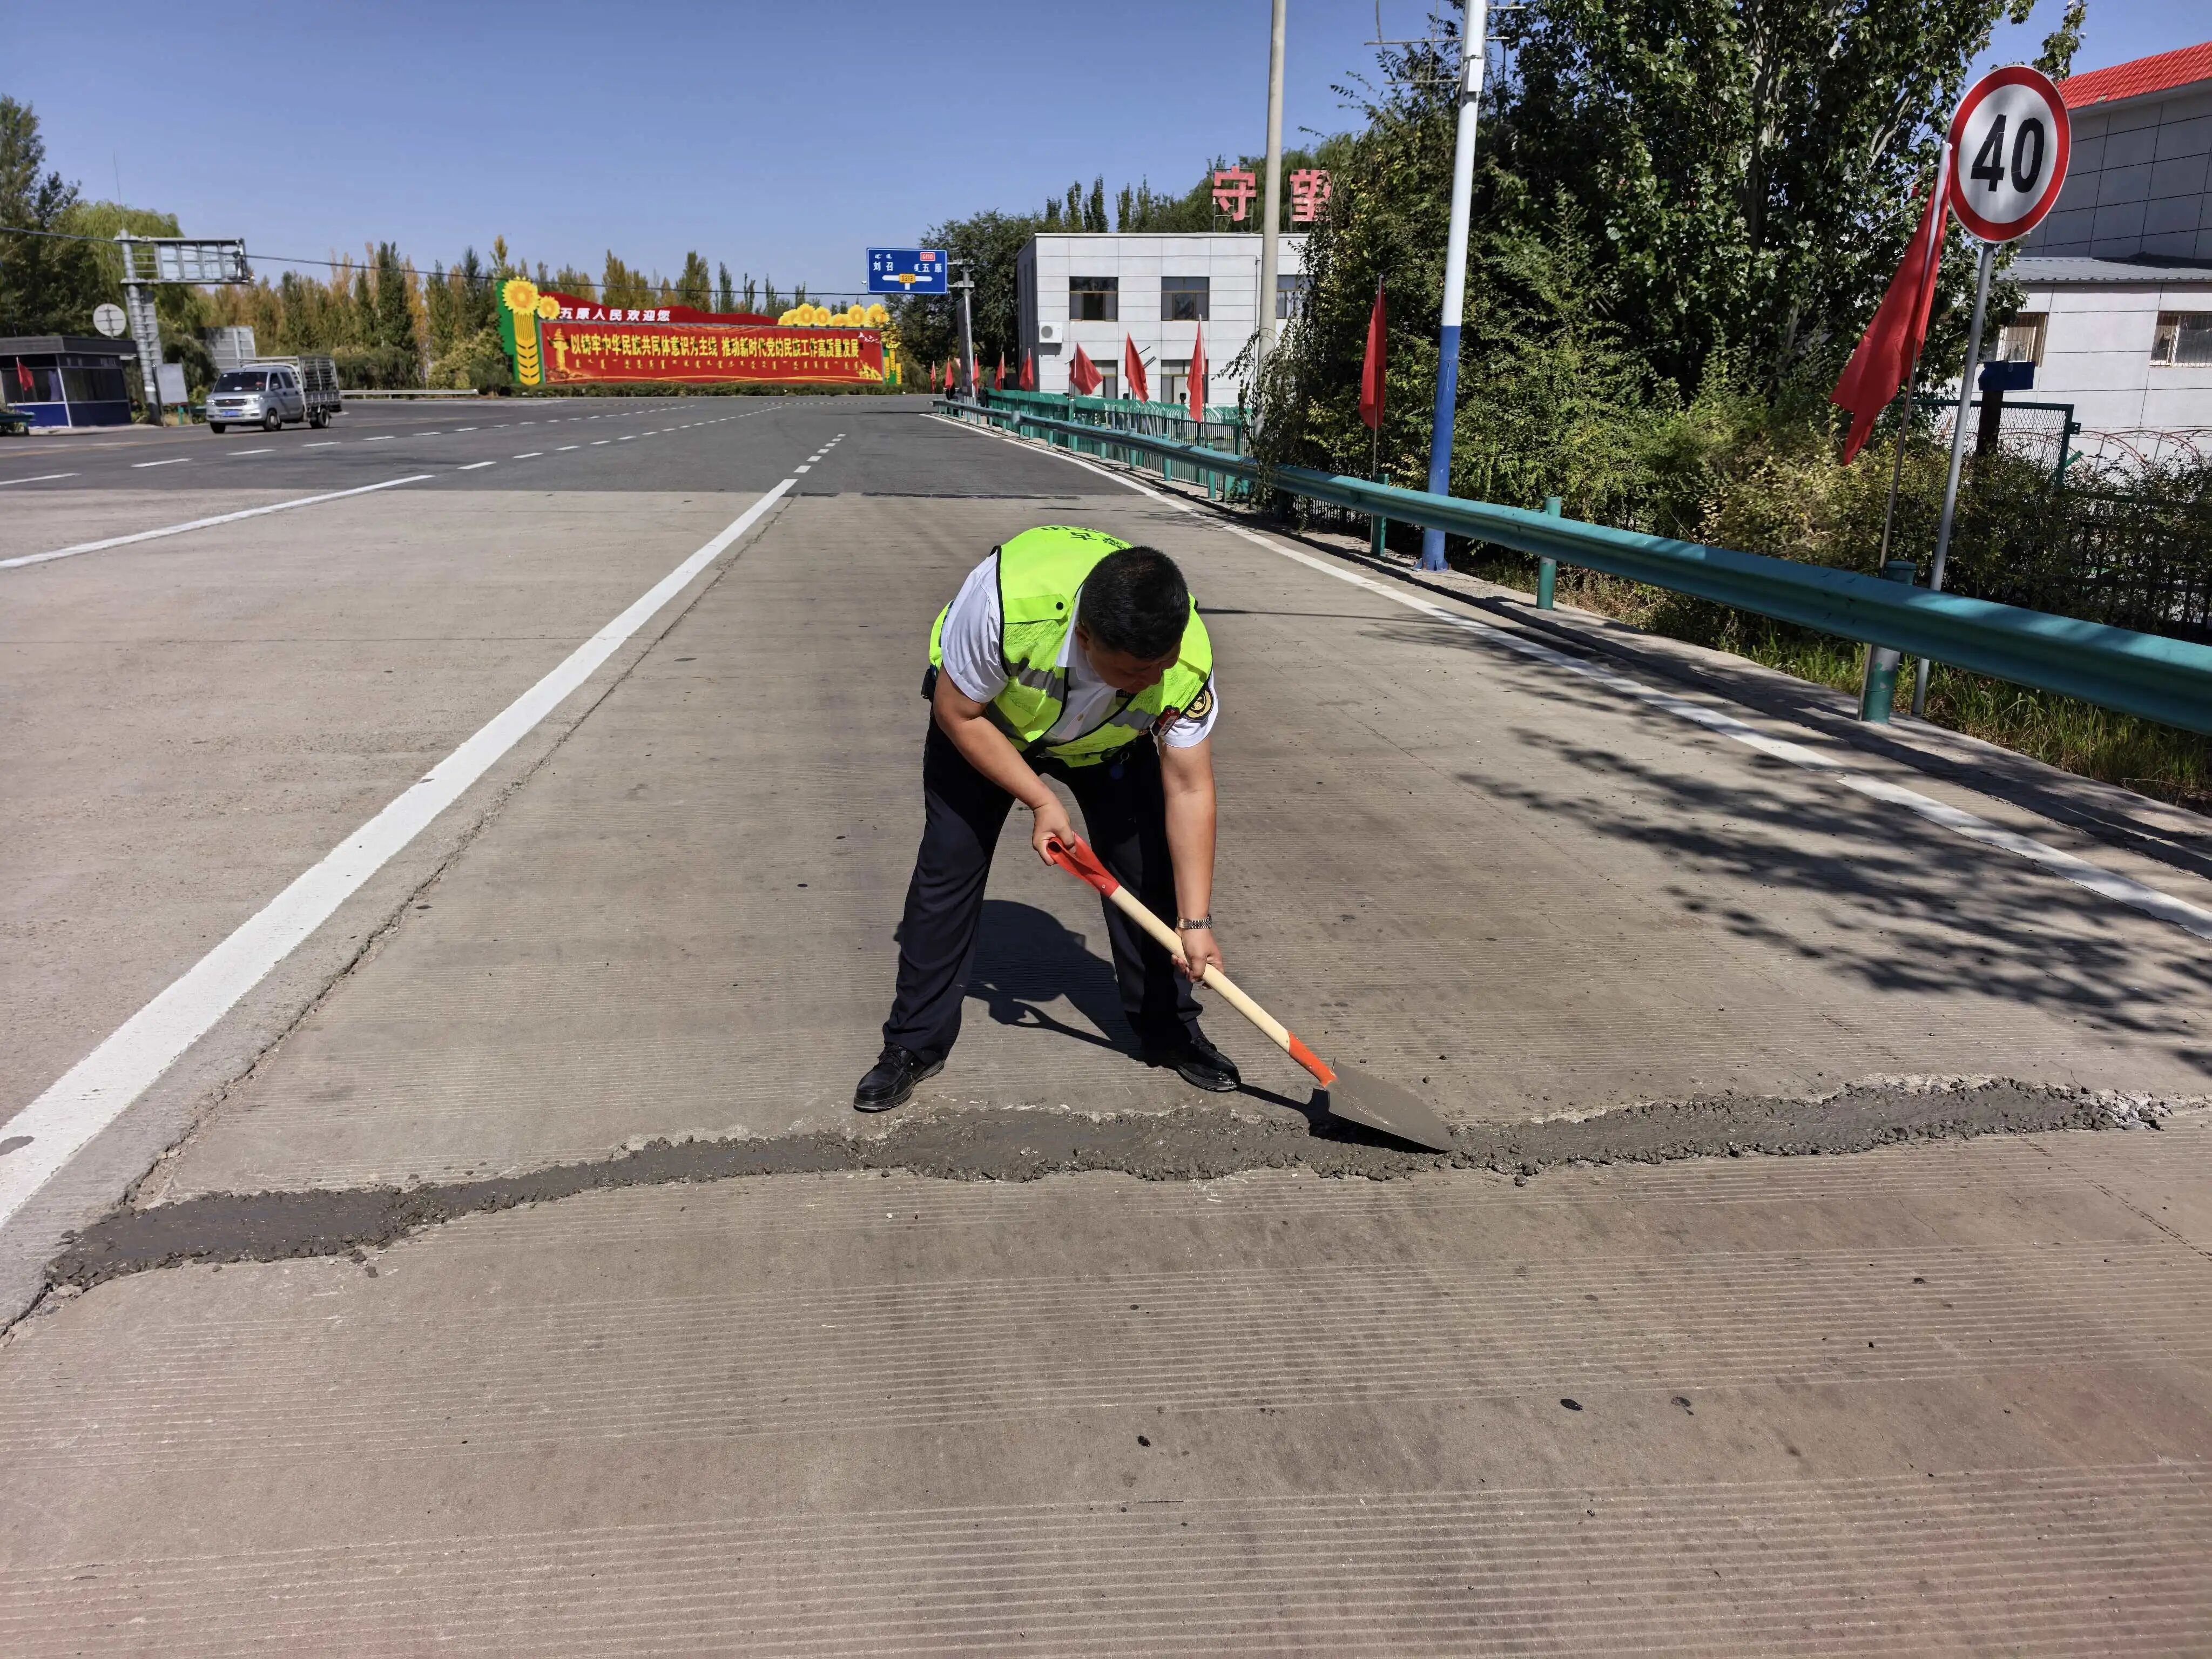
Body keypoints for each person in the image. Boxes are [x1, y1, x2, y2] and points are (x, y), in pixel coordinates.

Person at [857, 525, 1238, 1110]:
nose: (1154, 682)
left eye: (1161, 665)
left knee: (1148, 873)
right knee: (948, 869)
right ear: (1086, 639)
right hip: (990, 728)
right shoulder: (1004, 604)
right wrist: (1040, 800)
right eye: (1136, 672)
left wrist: (1195, 921)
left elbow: (1189, 786)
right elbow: (958, 713)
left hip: (1106, 746)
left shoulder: (1183, 653)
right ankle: (912, 1045)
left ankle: (1171, 1033)